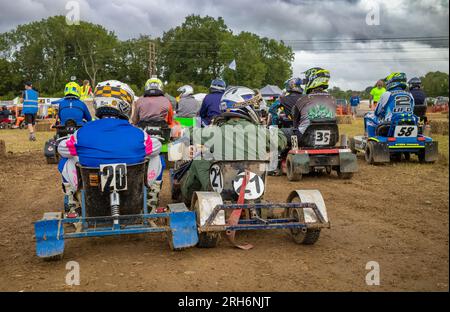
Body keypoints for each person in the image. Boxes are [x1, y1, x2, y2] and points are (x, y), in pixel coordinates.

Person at [57, 80, 162, 216]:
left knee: (66, 161)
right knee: (157, 158)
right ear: (125, 106)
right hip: (131, 191)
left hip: (94, 192)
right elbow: (156, 147)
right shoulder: (139, 135)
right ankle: (150, 200)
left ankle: (73, 203)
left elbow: (62, 149)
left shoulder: (81, 133)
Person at [178, 86, 287, 205]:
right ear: (244, 107)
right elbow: (281, 140)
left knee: (199, 161)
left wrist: (182, 130)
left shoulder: (215, 131)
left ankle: (188, 199)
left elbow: (191, 133)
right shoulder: (261, 132)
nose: (256, 109)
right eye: (253, 106)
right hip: (253, 187)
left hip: (224, 190)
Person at [288, 67, 336, 141]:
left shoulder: (303, 99)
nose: (306, 83)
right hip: (331, 137)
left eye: (307, 80)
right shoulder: (333, 99)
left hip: (306, 138)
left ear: (312, 79)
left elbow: (295, 122)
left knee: (284, 133)